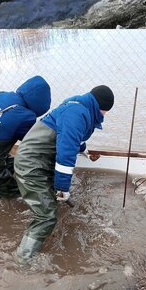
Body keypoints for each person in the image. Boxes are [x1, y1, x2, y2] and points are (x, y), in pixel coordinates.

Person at [13, 84, 115, 262]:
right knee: (46, 216)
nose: (104, 116)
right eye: (105, 112)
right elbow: (66, 152)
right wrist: (62, 188)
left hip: (40, 160)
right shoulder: (76, 114)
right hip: (32, 164)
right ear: (101, 108)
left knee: (49, 203)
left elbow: (71, 136)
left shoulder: (79, 107)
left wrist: (83, 148)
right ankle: (23, 260)